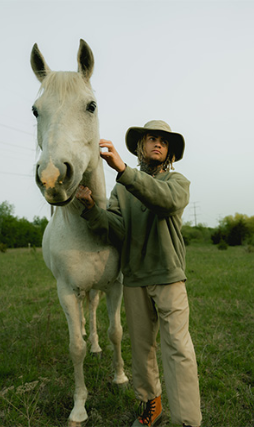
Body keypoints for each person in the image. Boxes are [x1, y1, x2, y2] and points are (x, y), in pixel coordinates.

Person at [75, 120, 202, 427]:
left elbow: (164, 201)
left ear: (169, 151)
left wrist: (123, 171)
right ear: (140, 147)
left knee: (178, 349)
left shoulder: (177, 182)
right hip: (134, 280)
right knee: (142, 349)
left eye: (163, 141)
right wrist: (92, 208)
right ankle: (152, 407)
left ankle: (187, 421)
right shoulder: (123, 189)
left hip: (168, 276)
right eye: (151, 139)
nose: (158, 143)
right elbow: (116, 230)